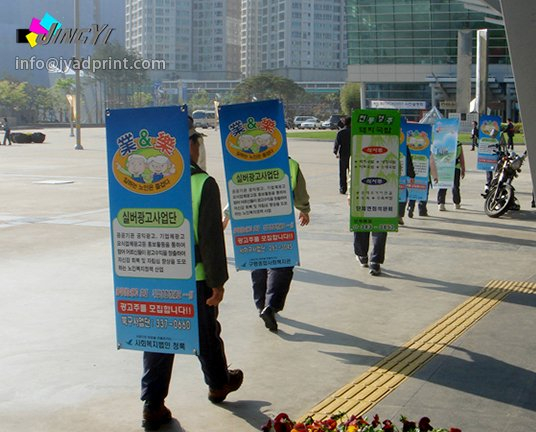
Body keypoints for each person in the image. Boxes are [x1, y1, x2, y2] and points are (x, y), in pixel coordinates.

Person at [141, 131, 243, 431]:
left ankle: (153, 404)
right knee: (205, 334)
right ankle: (218, 384)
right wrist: (217, 281)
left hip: (153, 276)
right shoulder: (202, 183)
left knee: (158, 338)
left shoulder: (140, 182)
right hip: (194, 278)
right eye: (195, 141)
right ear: (188, 147)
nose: (198, 147)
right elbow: (210, 239)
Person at [225, 157, 310, 332]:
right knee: (282, 263)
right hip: (279, 219)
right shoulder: (290, 163)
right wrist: (304, 209)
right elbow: (299, 191)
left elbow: (237, 188)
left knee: (258, 260)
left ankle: (260, 304)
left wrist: (227, 215)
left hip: (252, 219)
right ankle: (270, 306)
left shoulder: (246, 160)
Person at [436, 141, 465, 211]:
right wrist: (463, 168)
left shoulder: (442, 143)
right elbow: (461, 157)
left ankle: (441, 203)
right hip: (456, 167)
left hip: (445, 167)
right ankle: (456, 203)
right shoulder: (458, 144)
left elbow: (438, 156)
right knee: (456, 186)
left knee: (443, 185)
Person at [333, 116, 351, 194]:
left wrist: (336, 152)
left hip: (343, 154)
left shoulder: (340, 132)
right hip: (352, 155)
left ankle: (343, 188)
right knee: (352, 172)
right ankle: (353, 188)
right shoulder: (354, 132)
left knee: (342, 173)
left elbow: (336, 145)